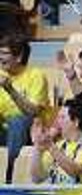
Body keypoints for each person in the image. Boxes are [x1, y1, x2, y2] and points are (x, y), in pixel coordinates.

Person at [0, 37, 49, 184]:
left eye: (4, 53)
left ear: (19, 56)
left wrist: (10, 90)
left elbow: (32, 112)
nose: (0, 57)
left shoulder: (36, 75)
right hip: (4, 129)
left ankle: (8, 177)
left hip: (30, 131)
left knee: (18, 121)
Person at [29, 97, 82, 185]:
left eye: (62, 117)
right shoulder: (59, 146)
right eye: (58, 118)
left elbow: (75, 171)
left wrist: (50, 146)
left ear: (76, 122)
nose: (58, 122)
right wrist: (38, 148)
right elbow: (37, 178)